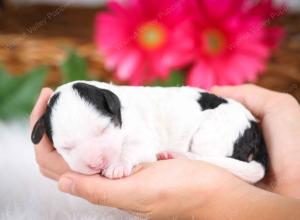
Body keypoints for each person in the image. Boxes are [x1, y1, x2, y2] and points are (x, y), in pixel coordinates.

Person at [30, 84, 300, 219]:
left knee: (204, 136)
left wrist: (126, 158)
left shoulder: (131, 109)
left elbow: (145, 146)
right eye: (67, 146)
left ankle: (217, 162)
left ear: (115, 106)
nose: (92, 158)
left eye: (101, 131)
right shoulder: (104, 109)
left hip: (225, 125)